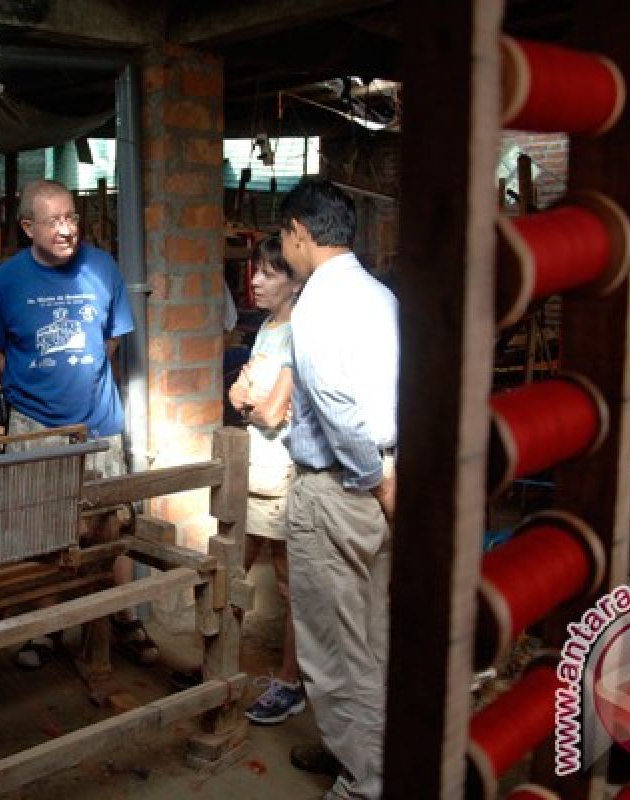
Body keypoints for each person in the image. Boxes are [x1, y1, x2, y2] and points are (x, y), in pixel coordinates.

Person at [0, 179, 157, 668]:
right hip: (35, 428)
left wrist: (82, 379)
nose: (66, 229)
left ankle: (123, 617)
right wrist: (34, 393)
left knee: (112, 524)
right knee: (41, 529)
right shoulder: (3, 282)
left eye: (71, 217)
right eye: (53, 220)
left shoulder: (102, 267)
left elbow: (112, 341)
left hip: (99, 422)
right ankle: (47, 627)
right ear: (28, 227)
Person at [278, 180, 398, 800]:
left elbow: (335, 406)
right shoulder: (380, 296)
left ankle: (365, 784)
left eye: (283, 237)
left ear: (300, 231)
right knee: (372, 641)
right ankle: (366, 758)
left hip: (343, 488)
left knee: (333, 650)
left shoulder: (317, 305)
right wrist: (388, 476)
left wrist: (376, 482)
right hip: (385, 476)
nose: (283, 249)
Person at [226, 235, 306, 725]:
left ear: (295, 281)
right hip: (257, 463)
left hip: (285, 468)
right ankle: (225, 666)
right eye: (255, 270)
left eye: (268, 273)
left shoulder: (300, 332)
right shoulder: (267, 328)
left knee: (287, 579)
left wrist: (253, 398)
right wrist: (251, 397)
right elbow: (237, 395)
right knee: (235, 561)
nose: (254, 280)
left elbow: (274, 412)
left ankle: (290, 680)